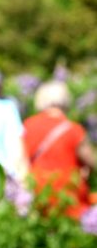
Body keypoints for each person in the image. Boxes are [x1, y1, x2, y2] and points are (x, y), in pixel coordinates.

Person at [23, 80, 96, 219]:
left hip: (37, 194)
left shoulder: (27, 125)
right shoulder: (74, 129)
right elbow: (91, 161)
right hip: (68, 196)